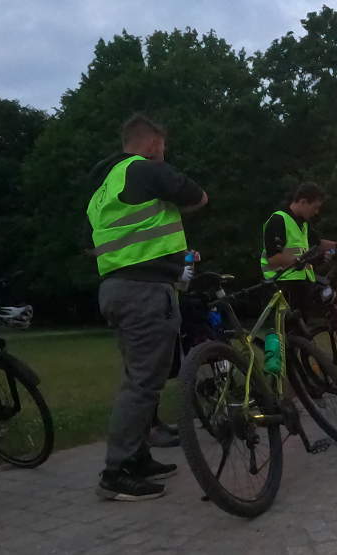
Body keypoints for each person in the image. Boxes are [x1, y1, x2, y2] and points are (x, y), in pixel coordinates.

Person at [87, 113, 208, 501]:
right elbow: (198, 197)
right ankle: (117, 472)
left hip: (115, 288)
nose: (164, 152)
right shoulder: (143, 169)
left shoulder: (104, 188)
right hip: (145, 291)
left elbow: (96, 242)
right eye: (163, 146)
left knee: (137, 376)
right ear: (154, 143)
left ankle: (137, 457)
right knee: (142, 383)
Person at [259, 182, 337, 319]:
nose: (316, 212)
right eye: (315, 207)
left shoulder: (303, 223)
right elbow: (274, 259)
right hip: (282, 286)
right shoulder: (278, 220)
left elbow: (318, 243)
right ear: (303, 202)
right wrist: (308, 260)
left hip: (300, 285)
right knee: (288, 330)